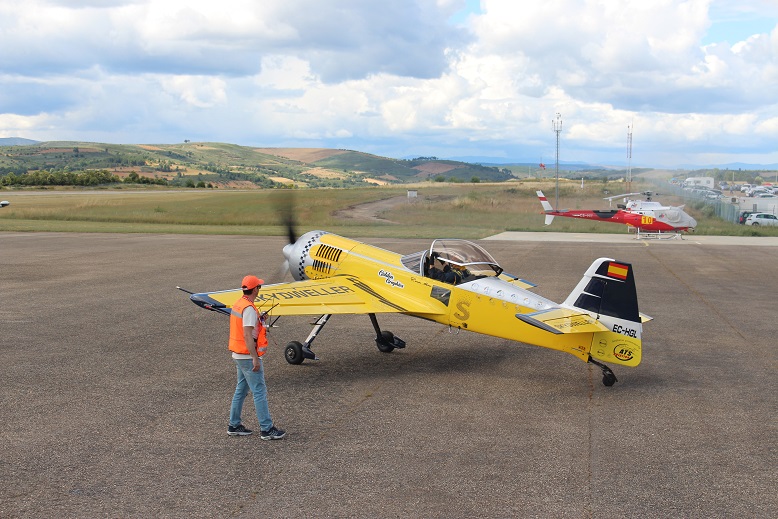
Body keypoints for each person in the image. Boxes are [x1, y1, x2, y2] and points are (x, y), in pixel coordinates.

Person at [227, 274, 286, 440]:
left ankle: (234, 425)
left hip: (238, 354)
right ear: (255, 290)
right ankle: (266, 429)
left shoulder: (239, 304)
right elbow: (247, 334)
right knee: (259, 391)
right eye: (259, 286)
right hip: (247, 356)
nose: (259, 289)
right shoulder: (249, 309)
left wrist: (259, 320)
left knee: (241, 389)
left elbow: (245, 328)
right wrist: (254, 358)